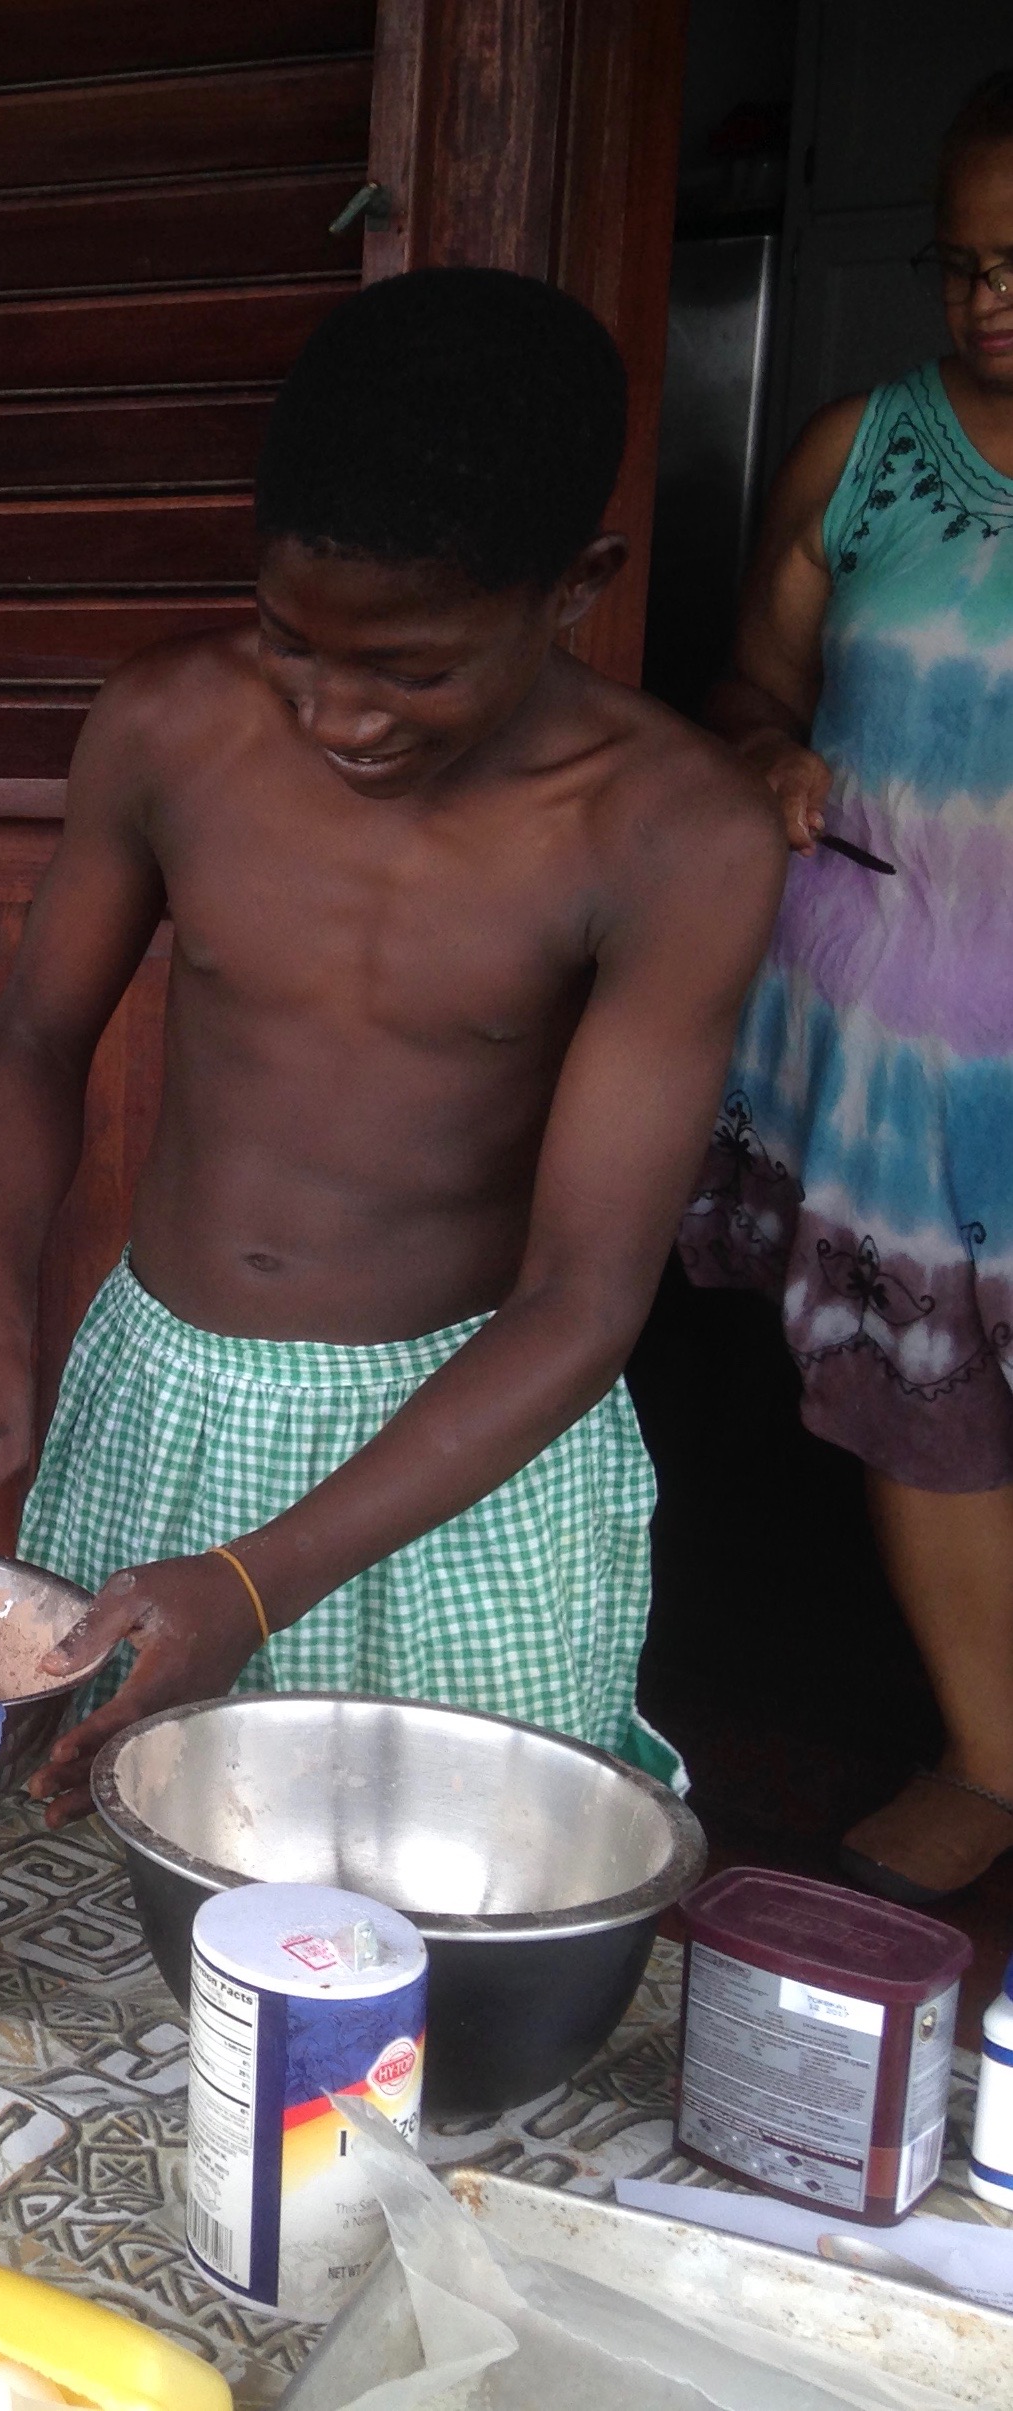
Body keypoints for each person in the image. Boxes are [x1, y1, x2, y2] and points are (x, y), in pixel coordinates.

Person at [0, 268, 785, 1824]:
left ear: (578, 584)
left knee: (420, 1919)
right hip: (160, 1399)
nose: (335, 714)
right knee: (109, 1874)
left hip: (463, 1455)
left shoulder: (672, 834)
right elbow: (35, 1035)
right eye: (292, 639)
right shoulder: (172, 728)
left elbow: (582, 1298)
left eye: (412, 669)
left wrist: (257, 1580)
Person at [679, 71, 1013, 1904]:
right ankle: (987, 1756)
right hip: (897, 1020)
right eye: (958, 264)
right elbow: (745, 693)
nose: (986, 303)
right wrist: (761, 761)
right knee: (931, 1400)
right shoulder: (857, 455)